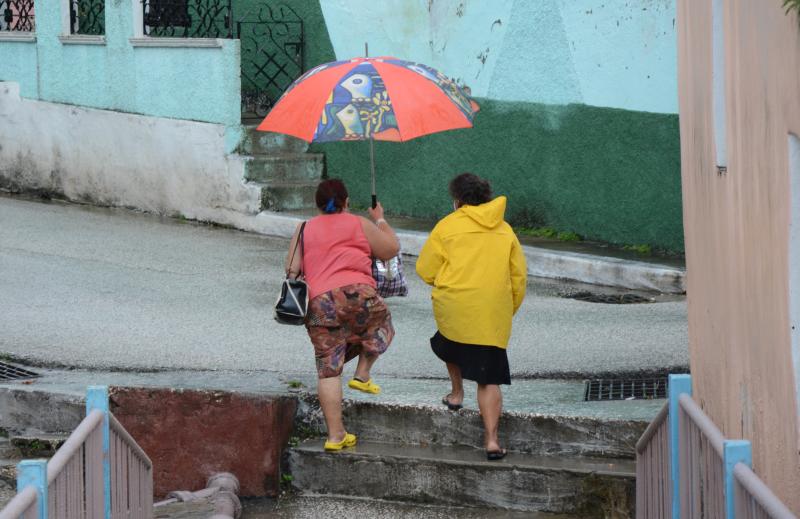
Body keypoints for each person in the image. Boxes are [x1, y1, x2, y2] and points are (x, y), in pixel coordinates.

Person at [416, 173, 527, 460]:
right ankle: (491, 441)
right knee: (489, 378)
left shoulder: (447, 226)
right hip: (491, 311)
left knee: (448, 342)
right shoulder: (505, 230)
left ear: (457, 201)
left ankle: (456, 394)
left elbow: (425, 269)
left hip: (454, 304)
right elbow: (518, 278)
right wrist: (505, 308)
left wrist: (449, 283)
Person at [285, 179, 399, 452]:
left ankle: (336, 436)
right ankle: (362, 373)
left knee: (328, 370)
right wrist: (380, 220)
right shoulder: (358, 223)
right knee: (381, 325)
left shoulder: (304, 228)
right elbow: (390, 249)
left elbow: (291, 269)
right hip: (359, 296)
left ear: (317, 204)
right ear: (346, 202)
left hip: (319, 304)